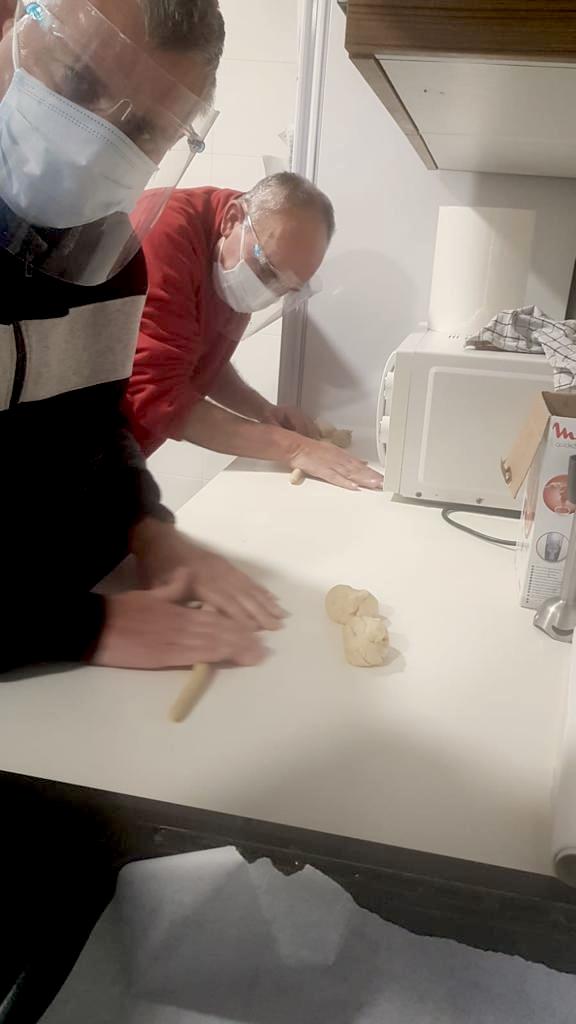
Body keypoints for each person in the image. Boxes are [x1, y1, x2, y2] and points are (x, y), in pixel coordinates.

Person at [0, 0, 284, 680]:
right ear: (11, 22)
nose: (94, 138)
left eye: (143, 128)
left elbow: (94, 431)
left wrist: (146, 527)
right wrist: (84, 629)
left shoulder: (111, 263)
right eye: (78, 81)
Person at [125, 174, 384, 491]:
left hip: (120, 452)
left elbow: (197, 360)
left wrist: (263, 411)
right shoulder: (163, 233)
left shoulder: (239, 251)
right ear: (232, 220)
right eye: (266, 270)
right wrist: (296, 448)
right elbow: (157, 394)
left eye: (285, 287)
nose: (266, 290)